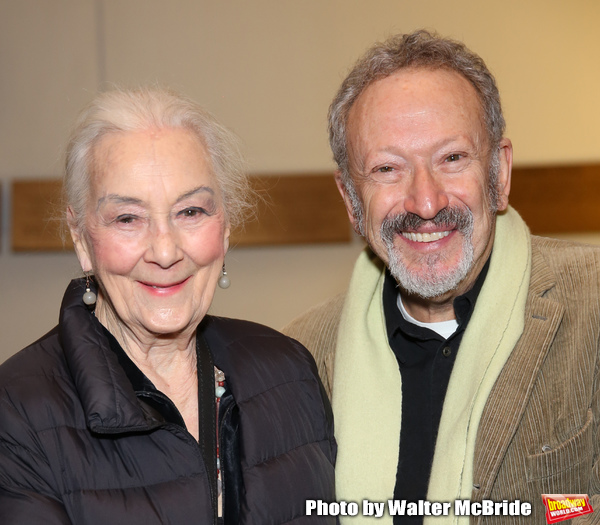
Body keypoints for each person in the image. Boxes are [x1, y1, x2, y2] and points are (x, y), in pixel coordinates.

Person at [284, 30, 600, 524]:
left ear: (500, 173)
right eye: (388, 168)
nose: (426, 202)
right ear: (350, 199)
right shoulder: (295, 361)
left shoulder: (592, 305)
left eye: (451, 159)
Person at [0, 87, 336, 524]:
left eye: (191, 212)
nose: (164, 251)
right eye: (127, 218)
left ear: (227, 227)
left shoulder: (288, 370)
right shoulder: (17, 413)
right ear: (81, 238)